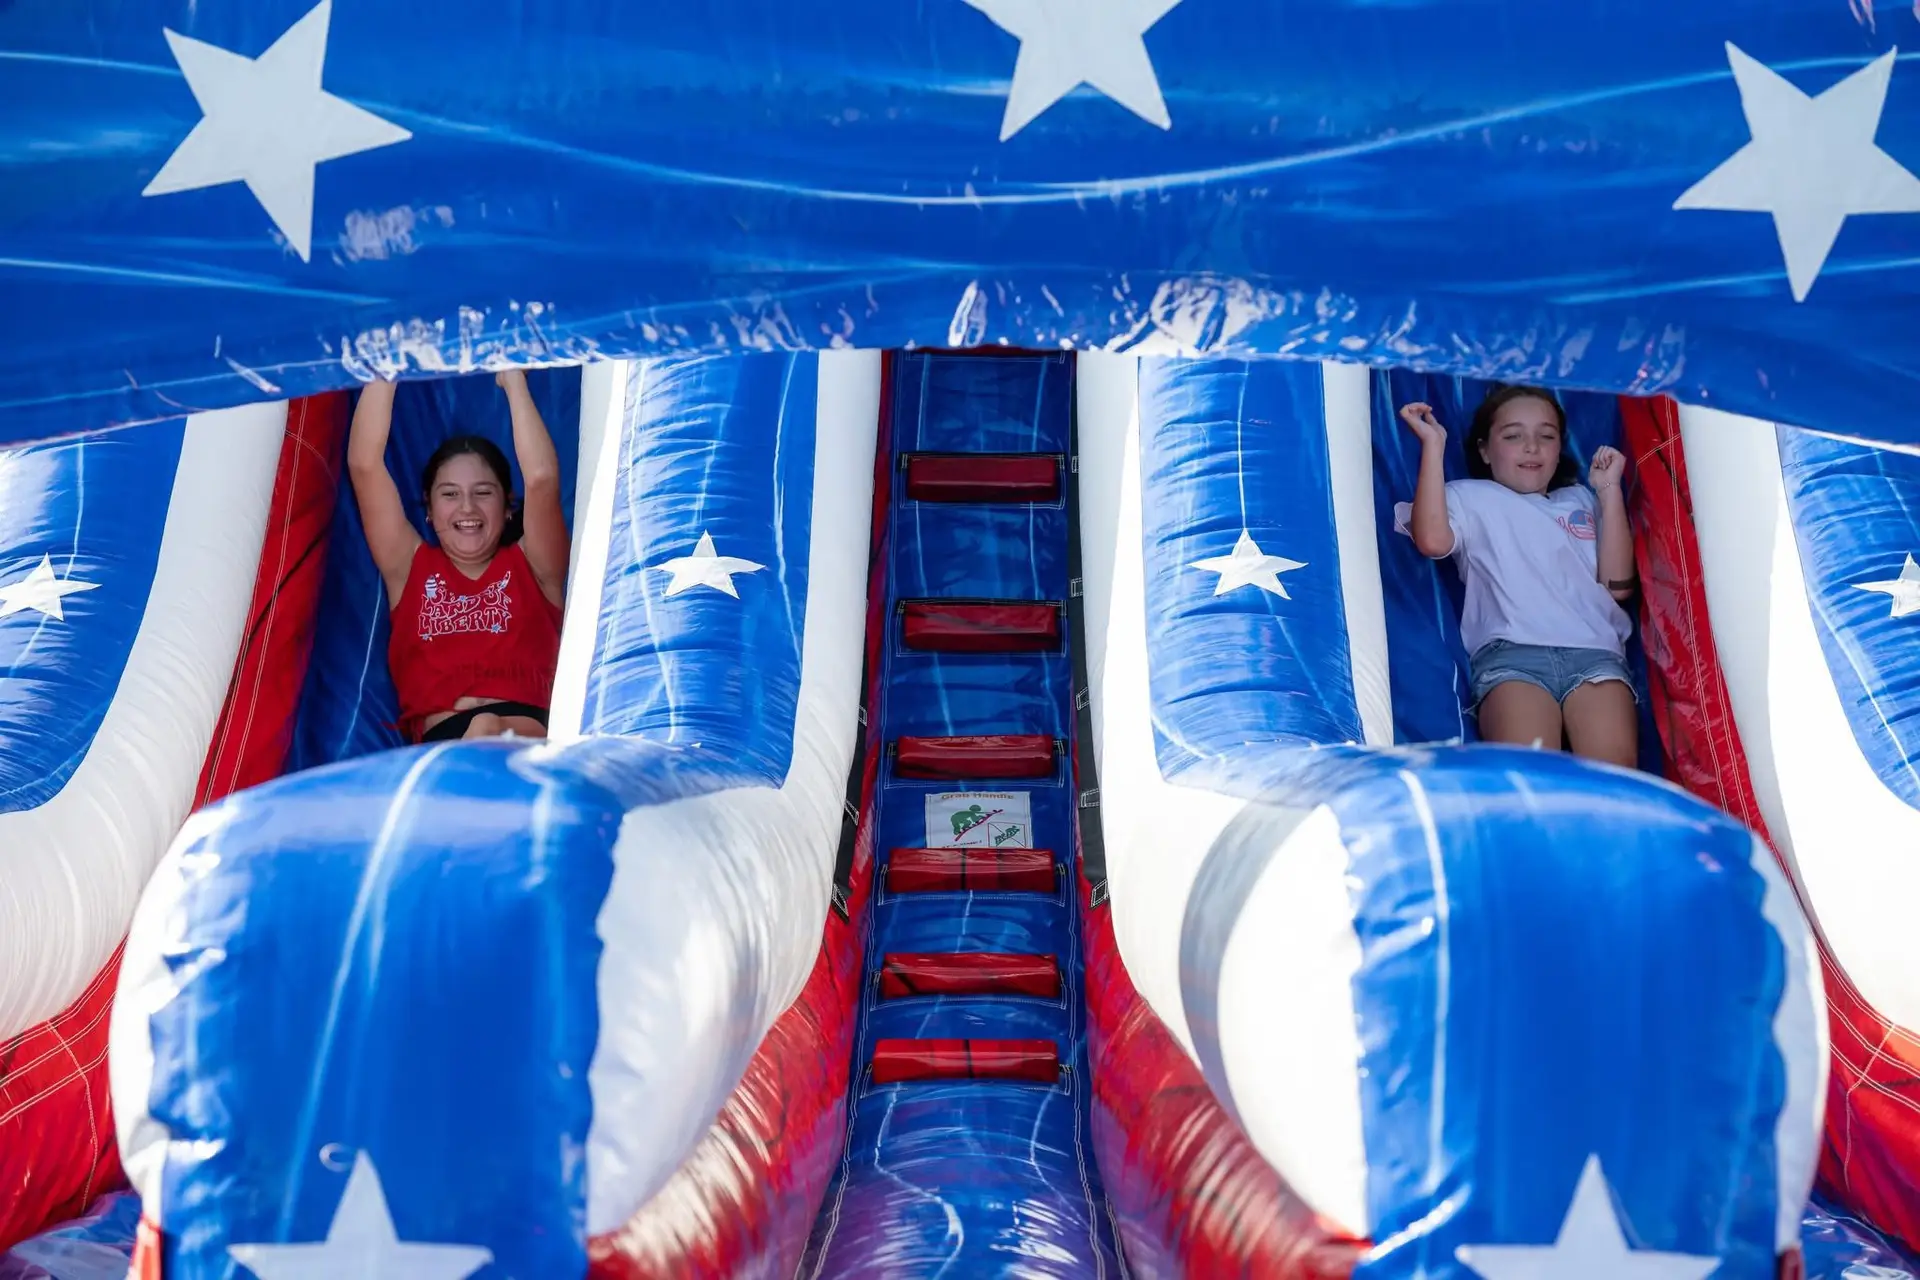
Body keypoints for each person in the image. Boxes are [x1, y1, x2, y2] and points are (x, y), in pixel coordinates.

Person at [1396, 385, 1638, 767]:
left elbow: (1618, 586)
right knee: (1529, 774)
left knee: (1613, 782)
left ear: (1559, 450)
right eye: (1513, 436)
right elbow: (1431, 540)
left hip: (1596, 654)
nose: (1532, 446)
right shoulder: (1468, 496)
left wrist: (1608, 492)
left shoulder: (1579, 500)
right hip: (1513, 655)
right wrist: (1433, 445)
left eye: (1546, 436)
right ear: (1485, 451)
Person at [348, 369, 568, 742]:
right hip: (443, 746)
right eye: (450, 494)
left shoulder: (536, 565)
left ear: (508, 508)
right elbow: (364, 465)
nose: (467, 508)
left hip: (523, 736)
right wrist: (388, 368)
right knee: (477, 735)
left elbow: (542, 478)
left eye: (483, 492)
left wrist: (513, 381)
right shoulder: (409, 568)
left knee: (486, 728)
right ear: (430, 511)